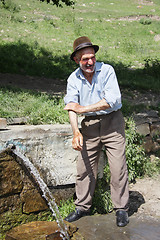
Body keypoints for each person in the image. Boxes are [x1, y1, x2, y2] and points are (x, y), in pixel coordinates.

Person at [64, 36, 129, 227]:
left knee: (118, 168)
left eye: (92, 57)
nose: (90, 62)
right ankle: (82, 207)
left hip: (112, 122)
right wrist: (76, 131)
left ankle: (121, 209)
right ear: (77, 60)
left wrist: (82, 109)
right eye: (85, 59)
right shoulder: (73, 79)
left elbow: (111, 100)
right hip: (90, 127)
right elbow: (71, 107)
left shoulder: (107, 71)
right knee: (84, 168)